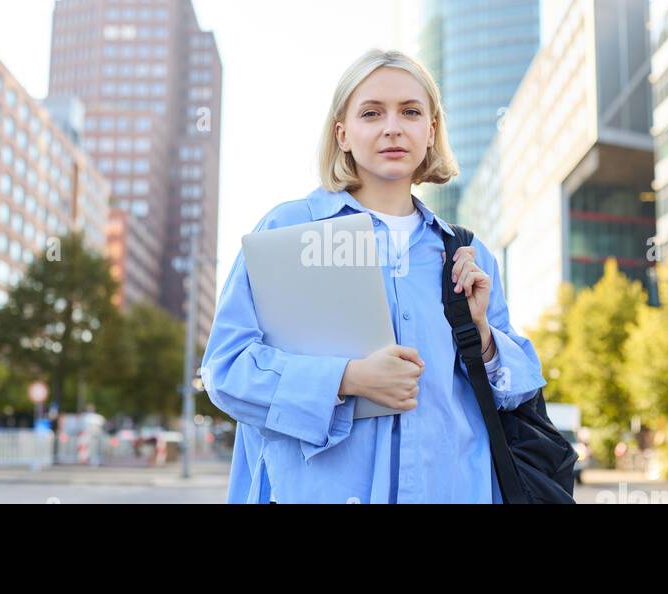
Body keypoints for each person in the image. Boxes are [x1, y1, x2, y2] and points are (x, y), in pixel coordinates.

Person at [201, 49, 546, 503]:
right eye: (371, 113)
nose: (392, 127)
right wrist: (347, 379)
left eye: (410, 111)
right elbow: (226, 371)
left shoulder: (467, 253)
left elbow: (517, 388)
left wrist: (481, 334)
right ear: (343, 134)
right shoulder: (290, 231)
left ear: (431, 130)